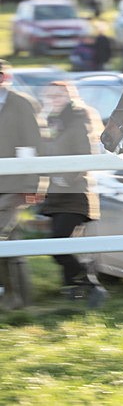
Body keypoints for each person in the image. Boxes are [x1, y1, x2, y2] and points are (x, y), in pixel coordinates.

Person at [39, 81, 108, 307]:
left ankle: (92, 286)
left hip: (75, 193)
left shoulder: (79, 117)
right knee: (64, 245)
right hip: (56, 195)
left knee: (57, 246)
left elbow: (85, 153)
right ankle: (76, 293)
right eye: (49, 96)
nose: (53, 99)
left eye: (58, 95)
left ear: (70, 95)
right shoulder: (52, 120)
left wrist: (65, 178)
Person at [0, 60, 42, 309]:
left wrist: (33, 184)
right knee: (10, 241)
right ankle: (18, 298)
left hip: (14, 186)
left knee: (3, 236)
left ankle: (16, 298)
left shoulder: (21, 104)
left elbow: (32, 144)